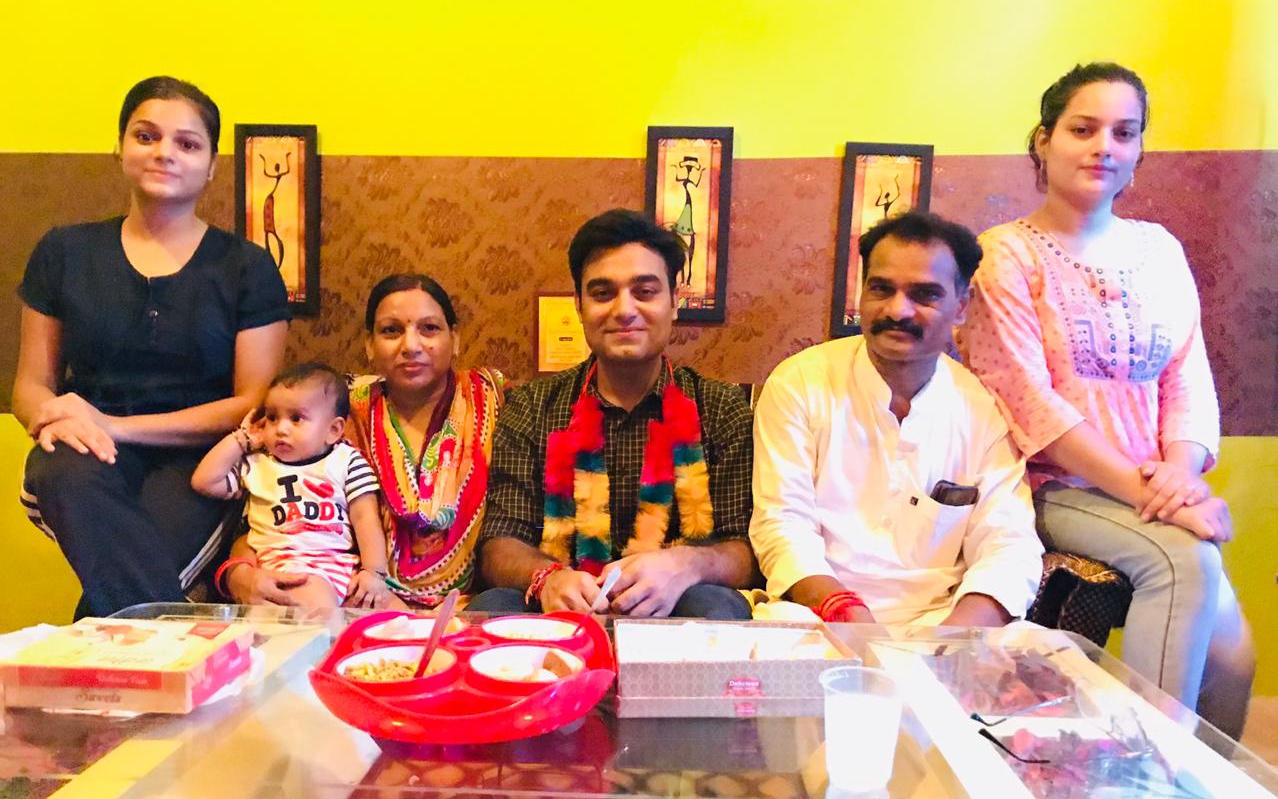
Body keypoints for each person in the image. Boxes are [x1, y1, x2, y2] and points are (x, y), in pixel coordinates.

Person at [958, 62, 1254, 737]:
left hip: (1156, 486)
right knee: (1184, 560)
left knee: (1235, 660)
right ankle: (1144, 779)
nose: (1104, 147)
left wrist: (1179, 474)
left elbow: (1186, 377)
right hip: (1059, 485)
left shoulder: (1160, 250)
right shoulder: (1005, 255)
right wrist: (1154, 495)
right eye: (1083, 129)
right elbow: (1030, 407)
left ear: (1140, 148)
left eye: (1125, 133)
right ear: (1043, 140)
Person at [14, 76, 289, 618]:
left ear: (211, 165)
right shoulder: (64, 251)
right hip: (89, 452)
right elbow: (30, 384)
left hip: (201, 459)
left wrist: (117, 426)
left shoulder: (246, 268)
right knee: (56, 470)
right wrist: (51, 417)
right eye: (147, 136)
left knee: (122, 583)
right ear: (118, 148)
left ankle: (101, 671)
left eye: (187, 144)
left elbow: (250, 403)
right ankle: (183, 669)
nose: (165, 153)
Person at [751, 211, 1043, 627]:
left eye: (924, 295)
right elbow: (782, 525)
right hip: (818, 616)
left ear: (961, 306)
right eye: (881, 289)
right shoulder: (800, 382)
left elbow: (1008, 544)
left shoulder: (981, 407)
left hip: (941, 623)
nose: (897, 310)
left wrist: (946, 645)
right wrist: (851, 618)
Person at [472, 208, 756, 618]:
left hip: (675, 607)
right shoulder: (531, 407)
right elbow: (500, 541)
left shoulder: (721, 409)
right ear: (579, 305)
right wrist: (548, 577)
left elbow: (744, 548)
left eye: (645, 291)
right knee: (494, 607)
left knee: (713, 605)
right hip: (562, 606)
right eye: (603, 293)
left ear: (675, 302)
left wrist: (686, 565)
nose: (624, 310)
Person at [225, 274, 504, 608]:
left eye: (429, 328)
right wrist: (239, 574)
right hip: (353, 601)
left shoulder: (493, 401)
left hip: (469, 608)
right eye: (391, 330)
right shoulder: (330, 415)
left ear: (455, 338)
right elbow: (265, 512)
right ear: (369, 344)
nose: (411, 346)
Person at [192, 363, 388, 607]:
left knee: (403, 620)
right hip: (279, 566)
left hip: (335, 566)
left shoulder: (346, 461)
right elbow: (204, 481)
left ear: (333, 430)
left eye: (296, 418)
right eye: (272, 417)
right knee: (308, 613)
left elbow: (365, 518)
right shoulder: (258, 465)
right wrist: (243, 439)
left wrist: (375, 572)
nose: (280, 429)